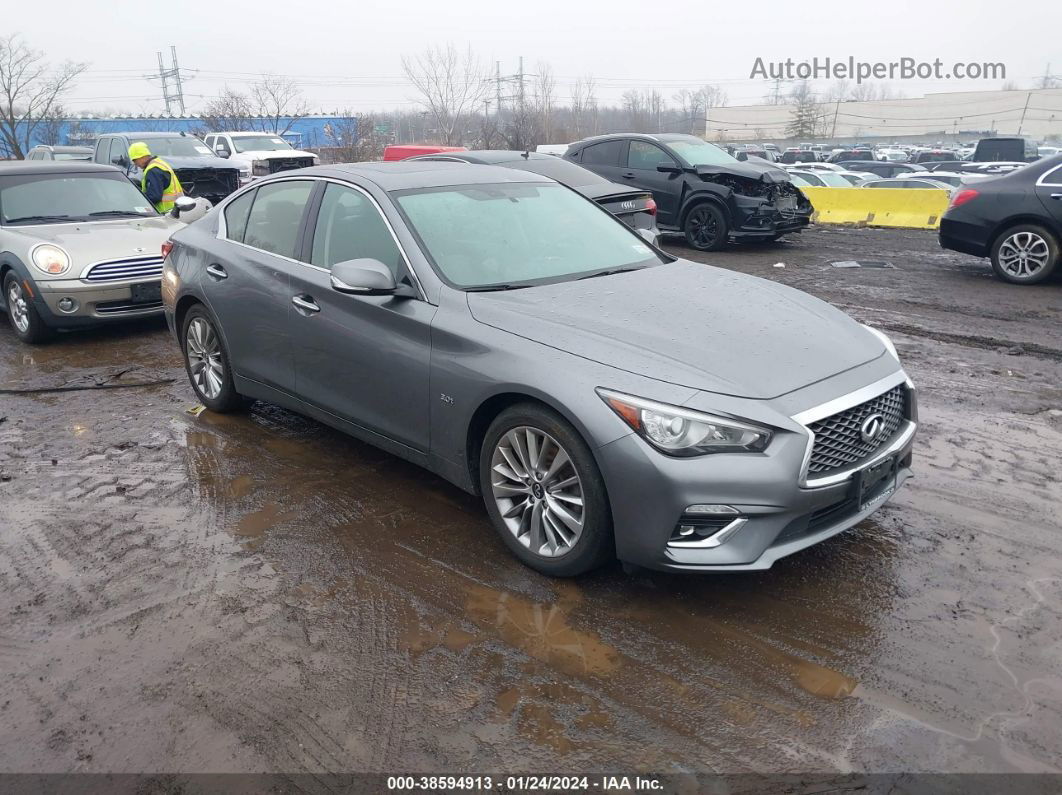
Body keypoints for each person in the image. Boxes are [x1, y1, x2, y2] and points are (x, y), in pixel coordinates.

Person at [127, 142, 184, 213]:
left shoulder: (153, 170)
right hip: (175, 209)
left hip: (164, 212)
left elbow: (154, 196)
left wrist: (138, 201)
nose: (135, 164)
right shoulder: (159, 163)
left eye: (135, 160)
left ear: (142, 157)